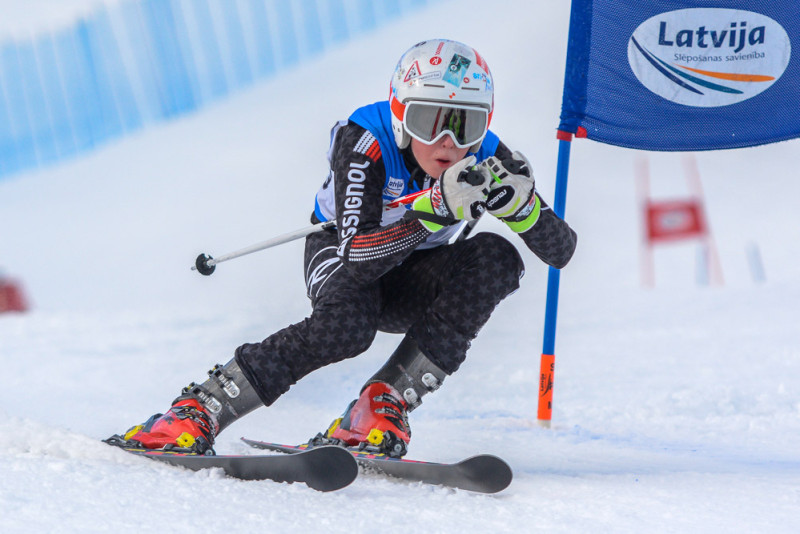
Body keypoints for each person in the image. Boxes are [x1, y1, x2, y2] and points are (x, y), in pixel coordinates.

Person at [108, 39, 577, 458]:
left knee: (499, 256)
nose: (449, 142)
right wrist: (431, 209)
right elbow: (359, 254)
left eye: (466, 124)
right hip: (343, 251)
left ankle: (379, 405)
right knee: (348, 327)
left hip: (413, 272)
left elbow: (561, 252)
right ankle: (202, 407)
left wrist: (525, 211)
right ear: (400, 115)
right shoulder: (365, 139)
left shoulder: (487, 156)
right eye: (429, 120)